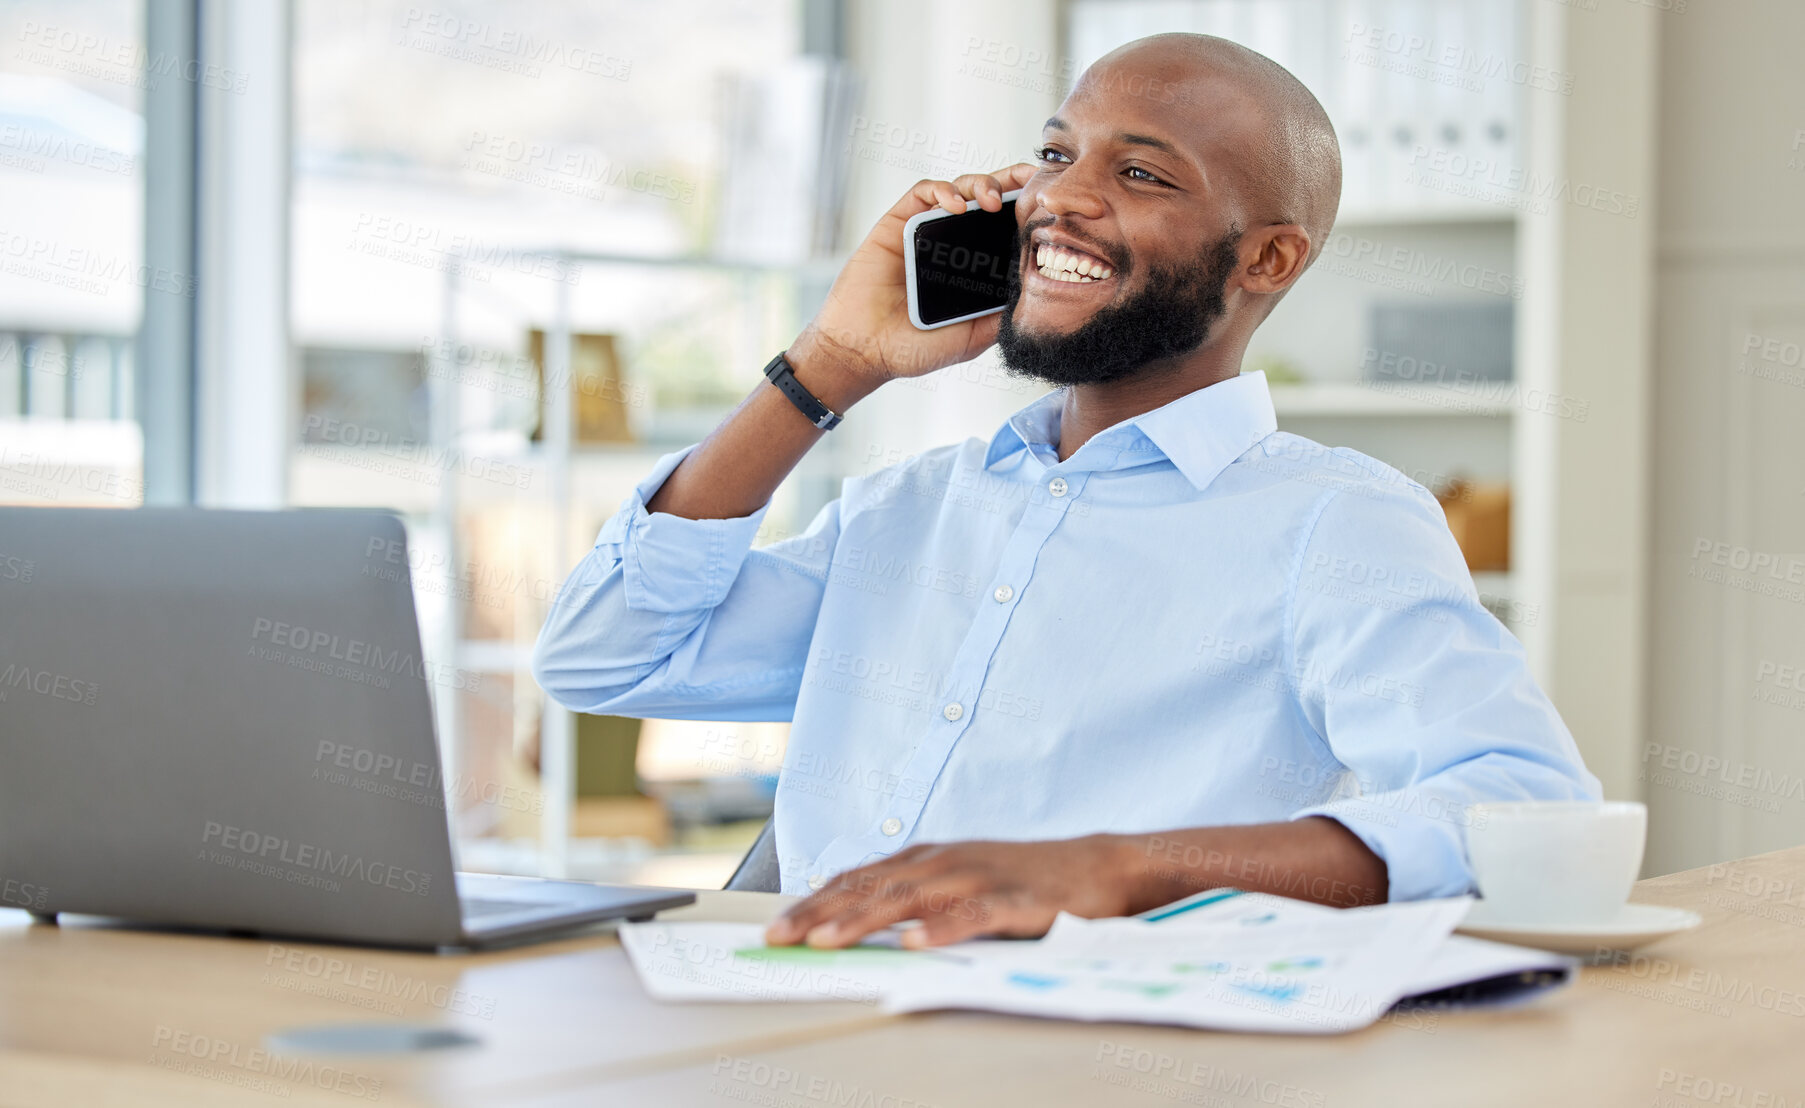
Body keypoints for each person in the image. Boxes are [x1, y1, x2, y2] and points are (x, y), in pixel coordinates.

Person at [531, 32, 1601, 950]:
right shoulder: (907, 508)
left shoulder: (1331, 520)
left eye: (1142, 175)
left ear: (1267, 257)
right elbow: (602, 653)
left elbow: (1522, 808)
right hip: (803, 1022)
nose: (1059, 198)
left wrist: (1115, 871)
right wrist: (825, 369)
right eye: (1053, 153)